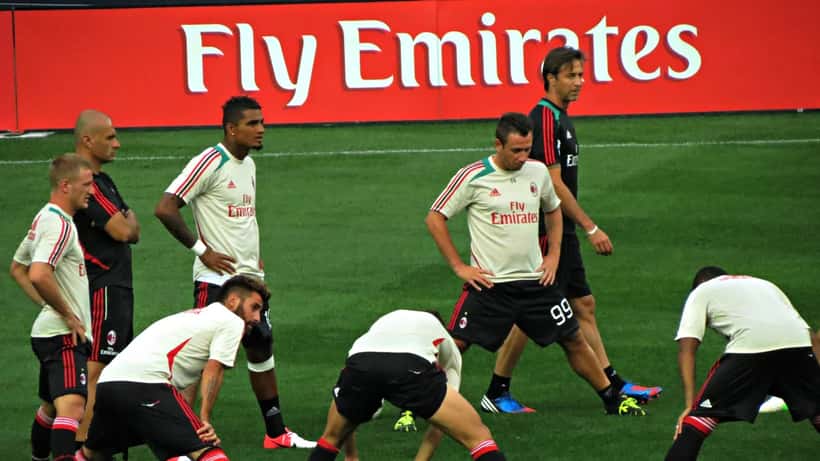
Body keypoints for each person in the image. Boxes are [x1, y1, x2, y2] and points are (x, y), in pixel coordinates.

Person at [408, 112, 645, 446]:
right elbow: (435, 218)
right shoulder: (473, 176)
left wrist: (554, 256)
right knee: (454, 345)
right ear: (498, 144)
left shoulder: (536, 172)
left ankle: (611, 399)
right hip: (490, 286)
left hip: (537, 284)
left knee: (573, 338)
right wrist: (460, 267)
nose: (523, 158)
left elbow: (553, 209)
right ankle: (413, 402)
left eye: (527, 150)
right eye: (516, 151)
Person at [478, 46, 662, 415]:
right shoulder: (544, 119)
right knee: (534, 315)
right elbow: (552, 182)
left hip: (562, 229)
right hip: (549, 233)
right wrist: (590, 226)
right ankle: (497, 391)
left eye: (581, 75)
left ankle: (613, 381)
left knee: (583, 305)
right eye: (571, 76)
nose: (579, 82)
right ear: (551, 78)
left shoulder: (561, 118)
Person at [154, 95, 313, 449]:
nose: (261, 130)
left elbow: (243, 222)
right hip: (216, 284)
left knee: (260, 348)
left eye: (262, 122)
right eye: (253, 123)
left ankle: (276, 433)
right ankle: (181, 440)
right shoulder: (209, 162)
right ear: (231, 128)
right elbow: (165, 207)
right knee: (199, 360)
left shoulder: (248, 165)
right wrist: (202, 250)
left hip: (249, 281)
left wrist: (254, 264)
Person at [77, 275, 269, 460]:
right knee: (205, 447)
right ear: (233, 301)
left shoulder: (196, 317)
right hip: (146, 384)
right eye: (254, 308)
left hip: (108, 385)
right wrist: (204, 419)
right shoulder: (232, 321)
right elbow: (214, 369)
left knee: (92, 452)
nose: (257, 318)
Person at [308, 309, 507, 461]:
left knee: (330, 438)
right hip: (410, 366)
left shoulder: (385, 322)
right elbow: (442, 423)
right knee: (479, 436)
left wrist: (351, 456)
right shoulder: (446, 342)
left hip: (360, 364)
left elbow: (343, 404)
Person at [665, 267, 820, 460]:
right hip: (798, 345)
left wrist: (690, 405)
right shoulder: (765, 284)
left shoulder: (701, 291)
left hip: (750, 348)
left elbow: (687, 350)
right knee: (817, 411)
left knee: (697, 423)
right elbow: (813, 338)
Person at [10, 153, 94, 461]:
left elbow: (17, 267)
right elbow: (37, 272)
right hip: (63, 336)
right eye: (86, 184)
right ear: (65, 185)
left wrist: (48, 306)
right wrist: (67, 313)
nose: (92, 191)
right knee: (72, 406)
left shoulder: (44, 218)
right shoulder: (58, 224)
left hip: (51, 331)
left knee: (50, 406)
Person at [72, 110, 141, 445]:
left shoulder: (104, 181)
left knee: (112, 367)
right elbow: (123, 229)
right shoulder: (88, 183)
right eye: (110, 137)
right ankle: (82, 447)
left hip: (118, 286)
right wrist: (125, 223)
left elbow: (133, 228)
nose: (118, 143)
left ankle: (96, 441)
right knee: (98, 368)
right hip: (103, 287)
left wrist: (126, 224)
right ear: (88, 140)